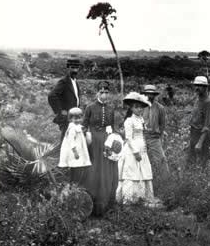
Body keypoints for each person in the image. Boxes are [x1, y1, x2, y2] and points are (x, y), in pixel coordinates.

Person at [82, 81, 118, 216]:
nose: (104, 95)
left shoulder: (111, 108)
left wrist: (115, 139)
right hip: (94, 141)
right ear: (97, 92)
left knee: (107, 168)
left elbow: (112, 127)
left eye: (106, 92)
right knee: (95, 168)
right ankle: (92, 201)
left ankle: (107, 202)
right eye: (101, 92)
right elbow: (84, 124)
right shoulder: (90, 107)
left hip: (106, 140)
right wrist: (87, 134)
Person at [117, 92, 155, 204]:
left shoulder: (141, 120)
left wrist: (144, 144)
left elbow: (142, 134)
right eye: (136, 107)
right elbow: (128, 138)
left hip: (142, 147)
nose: (139, 109)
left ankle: (141, 197)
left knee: (143, 171)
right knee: (132, 171)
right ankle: (129, 198)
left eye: (141, 107)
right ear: (132, 108)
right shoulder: (129, 121)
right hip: (133, 148)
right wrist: (135, 152)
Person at [141, 84, 170, 185]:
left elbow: (162, 124)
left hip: (154, 137)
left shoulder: (160, 108)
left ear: (154, 95)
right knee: (141, 159)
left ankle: (166, 183)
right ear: (144, 94)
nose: (149, 96)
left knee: (161, 159)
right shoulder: (140, 106)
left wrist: (159, 135)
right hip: (142, 137)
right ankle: (142, 182)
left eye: (151, 94)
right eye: (147, 94)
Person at [48, 59, 82, 141]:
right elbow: (52, 95)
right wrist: (61, 111)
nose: (75, 70)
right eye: (72, 67)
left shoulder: (75, 81)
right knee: (65, 141)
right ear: (68, 68)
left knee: (72, 140)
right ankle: (60, 154)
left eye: (76, 68)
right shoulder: (64, 81)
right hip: (67, 117)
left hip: (74, 116)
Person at [187, 76, 210, 168]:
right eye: (196, 85)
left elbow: (208, 125)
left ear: (206, 87)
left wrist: (200, 143)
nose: (197, 88)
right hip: (194, 133)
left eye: (200, 86)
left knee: (202, 163)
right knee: (191, 162)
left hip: (203, 136)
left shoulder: (209, 103)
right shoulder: (198, 99)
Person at [58, 107, 91, 185]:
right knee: (75, 168)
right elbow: (71, 141)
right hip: (74, 152)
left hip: (79, 149)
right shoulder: (72, 128)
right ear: (70, 119)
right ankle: (72, 185)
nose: (78, 120)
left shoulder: (78, 127)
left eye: (79, 118)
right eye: (75, 119)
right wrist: (75, 151)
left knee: (77, 168)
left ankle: (74, 185)